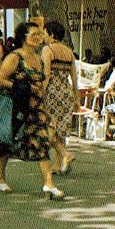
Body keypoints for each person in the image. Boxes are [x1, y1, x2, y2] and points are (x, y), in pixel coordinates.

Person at [0, 22, 64, 200]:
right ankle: (0, 177)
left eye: (39, 35)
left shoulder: (38, 58)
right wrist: (23, 88)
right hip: (13, 106)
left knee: (40, 142)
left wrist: (43, 105)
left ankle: (49, 184)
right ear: (23, 37)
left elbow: (39, 85)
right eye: (34, 34)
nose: (37, 38)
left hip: (33, 108)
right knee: (6, 142)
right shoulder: (14, 57)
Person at [41, 21, 79, 176]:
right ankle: (57, 165)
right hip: (66, 92)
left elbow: (47, 75)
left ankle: (65, 154)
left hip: (52, 92)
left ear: (51, 34)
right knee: (61, 130)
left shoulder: (47, 50)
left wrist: (41, 93)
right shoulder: (69, 52)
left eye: (44, 33)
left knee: (48, 128)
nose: (43, 36)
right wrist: (76, 97)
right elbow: (74, 77)